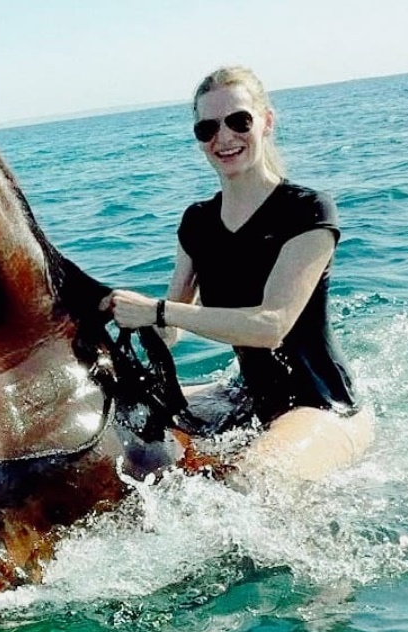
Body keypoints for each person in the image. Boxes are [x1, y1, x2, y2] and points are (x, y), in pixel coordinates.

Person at [100, 66, 374, 481]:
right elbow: (168, 332)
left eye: (239, 121)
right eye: (208, 127)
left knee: (246, 481)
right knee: (115, 423)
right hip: (247, 396)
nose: (224, 137)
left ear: (266, 122)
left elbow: (271, 326)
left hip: (321, 404)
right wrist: (110, 315)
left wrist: (157, 311)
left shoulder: (307, 210)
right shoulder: (197, 221)